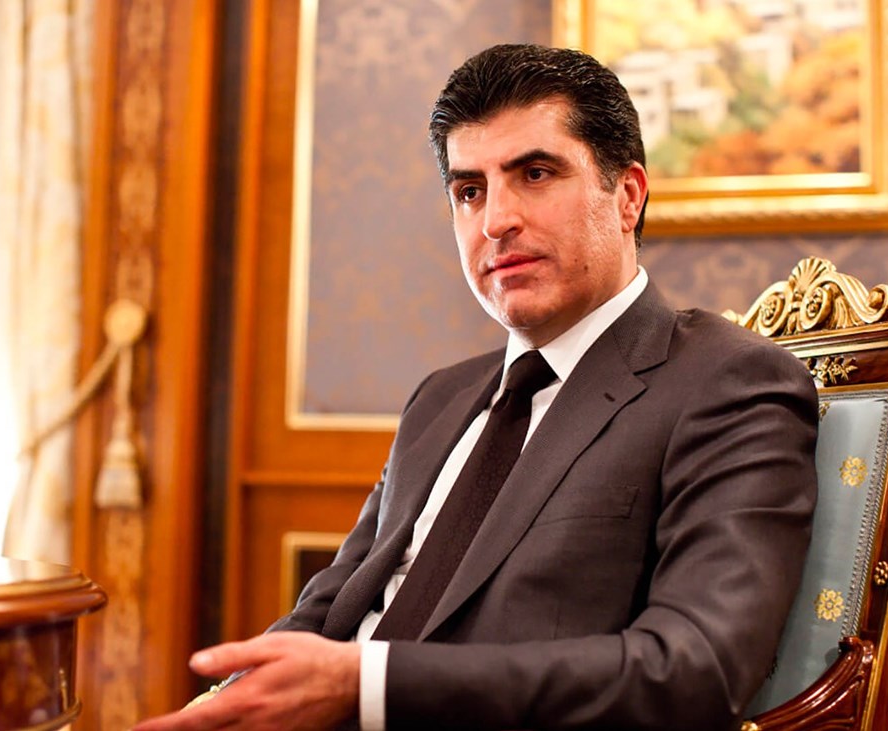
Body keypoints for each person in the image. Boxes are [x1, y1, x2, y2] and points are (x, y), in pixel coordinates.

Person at [135, 43, 817, 731]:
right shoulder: (441, 398)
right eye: (470, 191)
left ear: (627, 196)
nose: (495, 221)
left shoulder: (727, 383)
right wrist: (225, 703)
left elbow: (694, 670)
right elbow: (329, 609)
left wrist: (368, 686)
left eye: (536, 174)